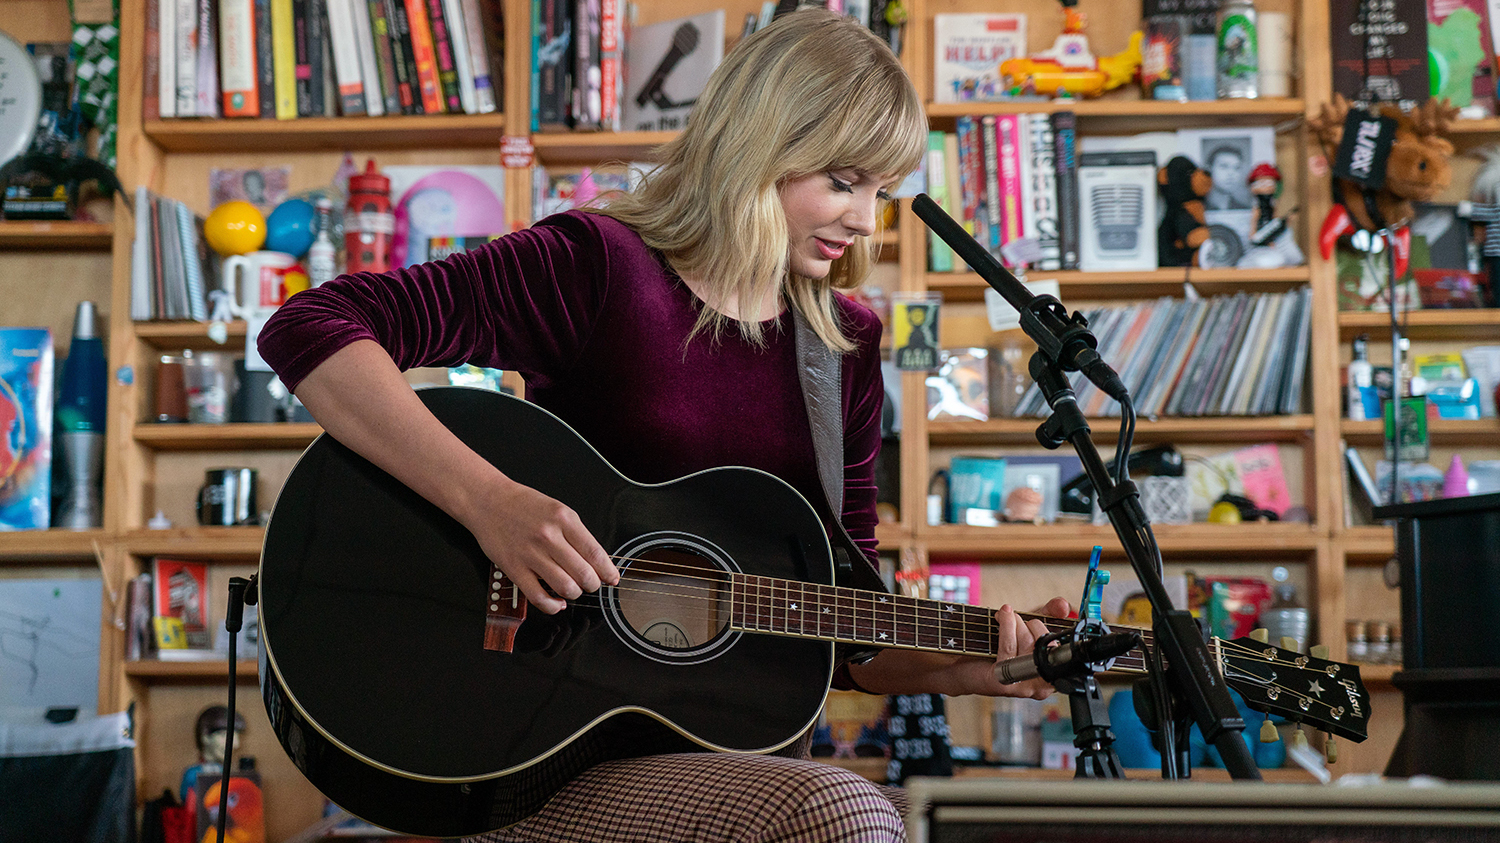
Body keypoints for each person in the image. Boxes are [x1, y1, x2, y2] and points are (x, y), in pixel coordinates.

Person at [259, 9, 1070, 842]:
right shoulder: (597, 265)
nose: (867, 219)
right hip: (544, 749)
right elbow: (314, 326)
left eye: (882, 192)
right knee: (839, 808)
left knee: (1002, 823)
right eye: (843, 180)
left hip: (740, 764)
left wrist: (965, 668)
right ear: (761, 145)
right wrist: (489, 502)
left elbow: (848, 622)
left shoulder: (846, 344)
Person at [1204, 144, 1250, 210]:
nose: (1231, 174)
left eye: (1237, 168)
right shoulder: (1198, 208)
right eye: (1224, 166)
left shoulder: (1244, 208)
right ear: (1209, 169)